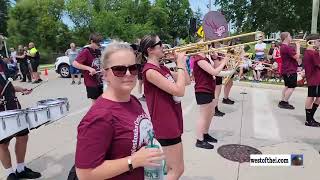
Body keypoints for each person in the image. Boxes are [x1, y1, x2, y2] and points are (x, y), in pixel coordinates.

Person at [75, 41, 164, 180]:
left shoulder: (133, 101)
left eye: (133, 68)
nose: (128, 74)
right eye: (119, 69)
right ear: (105, 74)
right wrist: (133, 161)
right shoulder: (99, 117)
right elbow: (85, 174)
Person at [140, 35, 190, 180]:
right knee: (177, 169)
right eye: (160, 44)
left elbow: (186, 81)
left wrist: (179, 63)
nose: (164, 46)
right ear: (150, 50)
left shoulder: (162, 68)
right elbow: (179, 91)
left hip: (173, 119)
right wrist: (180, 63)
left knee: (170, 169)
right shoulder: (150, 71)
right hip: (165, 124)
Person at [0, 56, 41, 180]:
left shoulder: (1, 62)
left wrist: (20, 89)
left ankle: (21, 169)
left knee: (22, 137)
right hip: (1, 111)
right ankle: (10, 173)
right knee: (3, 144)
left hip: (13, 106)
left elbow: (7, 85)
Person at [193, 51, 229, 149]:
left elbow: (215, 67)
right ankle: (199, 140)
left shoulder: (206, 58)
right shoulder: (199, 59)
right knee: (203, 115)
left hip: (209, 88)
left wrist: (215, 58)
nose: (209, 46)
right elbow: (214, 72)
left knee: (211, 112)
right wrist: (224, 61)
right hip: (202, 89)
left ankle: (205, 134)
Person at [73, 33, 104, 104]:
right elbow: (75, 63)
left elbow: (100, 63)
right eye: (98, 44)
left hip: (99, 80)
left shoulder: (98, 51)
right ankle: (95, 115)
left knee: (101, 100)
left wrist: (102, 69)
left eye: (100, 44)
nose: (99, 46)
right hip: (91, 82)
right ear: (92, 41)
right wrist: (89, 68)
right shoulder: (86, 51)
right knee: (95, 102)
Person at [278, 32, 300, 109]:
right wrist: (298, 46)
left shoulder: (283, 46)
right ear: (286, 37)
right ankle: (284, 102)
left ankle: (282, 100)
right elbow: (297, 57)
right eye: (290, 36)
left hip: (286, 69)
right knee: (291, 87)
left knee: (287, 86)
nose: (291, 37)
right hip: (290, 70)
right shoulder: (287, 47)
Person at [302, 34, 320, 127]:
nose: (319, 43)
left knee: (317, 98)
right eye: (318, 41)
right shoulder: (313, 52)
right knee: (311, 97)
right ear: (312, 42)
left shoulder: (309, 52)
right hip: (315, 78)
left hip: (315, 77)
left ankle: (310, 118)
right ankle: (309, 120)